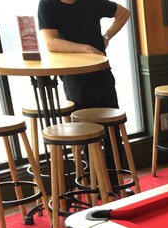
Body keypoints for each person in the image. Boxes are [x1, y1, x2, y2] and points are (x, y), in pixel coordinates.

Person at [38, 0, 131, 187]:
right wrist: (85, 48)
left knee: (112, 128)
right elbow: (51, 42)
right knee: (86, 131)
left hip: (101, 71)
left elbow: (124, 13)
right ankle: (96, 182)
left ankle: (115, 181)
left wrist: (106, 36)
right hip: (73, 75)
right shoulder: (48, 4)